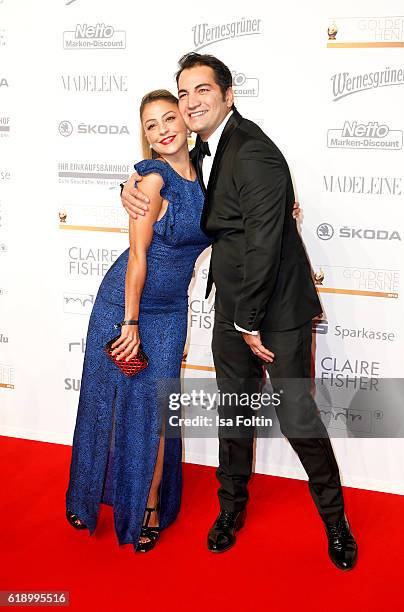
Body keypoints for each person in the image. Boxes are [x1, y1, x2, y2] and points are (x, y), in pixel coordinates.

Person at [121, 53, 358, 570]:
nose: (190, 102)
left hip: (274, 309)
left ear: (228, 95)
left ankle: (335, 521)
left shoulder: (252, 150)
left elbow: (266, 244)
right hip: (234, 302)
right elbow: (180, 189)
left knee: (296, 415)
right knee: (233, 408)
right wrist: (129, 189)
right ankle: (231, 511)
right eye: (182, 94)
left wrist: (249, 322)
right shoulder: (207, 147)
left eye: (201, 90)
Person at [65, 89, 213, 553]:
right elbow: (138, 258)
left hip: (170, 311)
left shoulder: (206, 176)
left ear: (187, 123)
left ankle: (148, 505)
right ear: (146, 136)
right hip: (125, 306)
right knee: (103, 402)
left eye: (170, 118)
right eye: (152, 125)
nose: (164, 129)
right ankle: (85, 496)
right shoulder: (151, 180)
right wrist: (129, 323)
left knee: (158, 412)